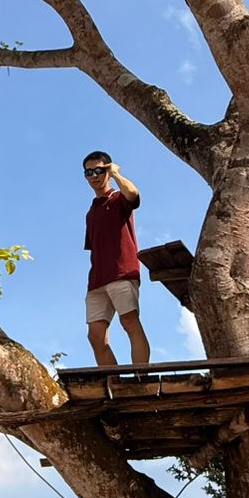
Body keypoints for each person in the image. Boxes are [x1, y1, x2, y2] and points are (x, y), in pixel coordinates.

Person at [82, 150, 151, 368]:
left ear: (108, 170)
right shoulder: (91, 212)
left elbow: (133, 193)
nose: (94, 176)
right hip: (97, 280)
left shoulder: (119, 198)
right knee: (95, 336)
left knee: (129, 321)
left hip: (122, 272)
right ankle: (114, 382)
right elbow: (95, 248)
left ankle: (141, 379)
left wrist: (116, 174)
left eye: (99, 170)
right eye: (89, 172)